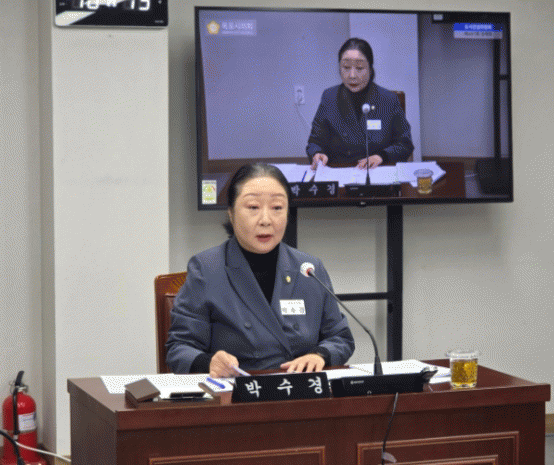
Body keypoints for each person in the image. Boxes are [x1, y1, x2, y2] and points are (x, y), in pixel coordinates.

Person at [166, 163, 355, 377]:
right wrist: (209, 363)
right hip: (239, 389)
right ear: (231, 213)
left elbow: (340, 338)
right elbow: (179, 348)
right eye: (253, 207)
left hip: (299, 388)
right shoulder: (207, 269)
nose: (266, 220)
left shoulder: (308, 269)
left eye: (277, 208)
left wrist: (320, 355)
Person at [307, 38, 414, 170]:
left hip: (377, 172)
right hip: (341, 171)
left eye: (359, 68)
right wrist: (317, 153)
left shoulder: (388, 100)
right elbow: (315, 142)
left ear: (370, 68)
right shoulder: (329, 97)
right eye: (346, 67)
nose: (352, 75)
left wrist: (381, 156)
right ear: (339, 68)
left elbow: (405, 144)